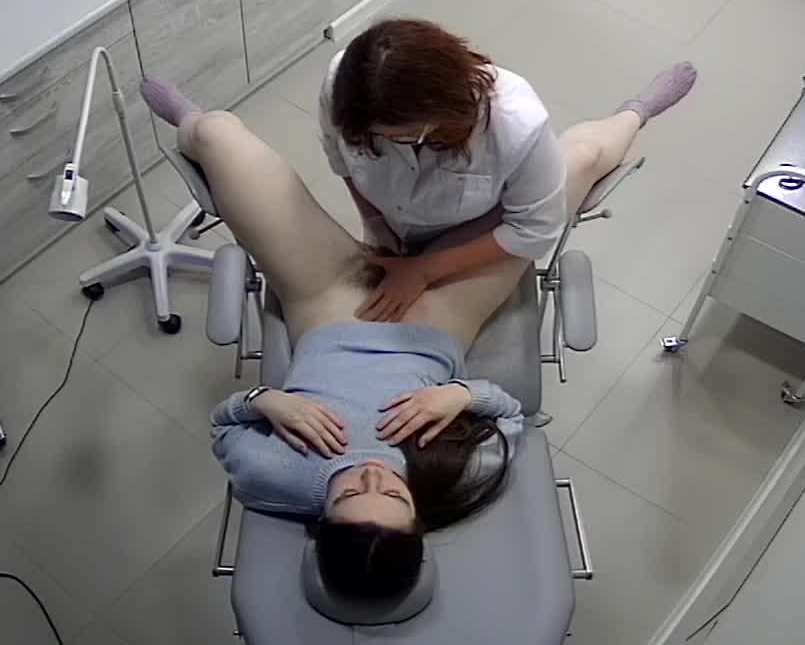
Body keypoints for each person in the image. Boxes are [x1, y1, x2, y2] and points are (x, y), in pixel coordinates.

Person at [135, 55, 697, 600]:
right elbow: (510, 415)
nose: (372, 475)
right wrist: (460, 395)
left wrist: (265, 401)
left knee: (218, 138)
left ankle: (188, 117)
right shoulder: (454, 477)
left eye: (349, 493)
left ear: (322, 521)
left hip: (326, 300)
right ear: (418, 519)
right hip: (439, 318)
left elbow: (224, 424)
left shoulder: (274, 477)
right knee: (579, 159)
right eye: (394, 495)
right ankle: (638, 111)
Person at [319, 18, 698, 324]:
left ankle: (637, 111)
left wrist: (425, 270)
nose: (385, 144)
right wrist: (375, 221)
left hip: (491, 219)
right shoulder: (345, 87)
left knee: (583, 157)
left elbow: (534, 230)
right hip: (396, 220)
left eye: (399, 137)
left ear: (441, 116)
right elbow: (340, 158)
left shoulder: (516, 123)